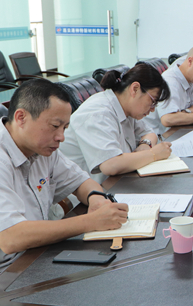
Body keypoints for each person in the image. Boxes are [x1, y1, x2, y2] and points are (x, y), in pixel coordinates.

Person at [0, 79, 128, 271]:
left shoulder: (42, 149)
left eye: (65, 128)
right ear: (21, 117)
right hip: (9, 272)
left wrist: (97, 199)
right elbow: (10, 237)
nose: (61, 137)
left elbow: (81, 181)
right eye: (55, 126)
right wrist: (91, 221)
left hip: (37, 254)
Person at [60, 63, 173, 183]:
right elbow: (111, 165)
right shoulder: (98, 113)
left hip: (117, 182)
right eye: (153, 101)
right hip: (91, 190)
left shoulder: (126, 108)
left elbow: (149, 133)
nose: (153, 109)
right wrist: (153, 154)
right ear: (135, 89)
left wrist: (145, 145)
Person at [144, 44, 193, 135]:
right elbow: (168, 119)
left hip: (175, 131)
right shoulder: (170, 81)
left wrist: (185, 112)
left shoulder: (189, 79)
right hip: (159, 136)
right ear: (190, 61)